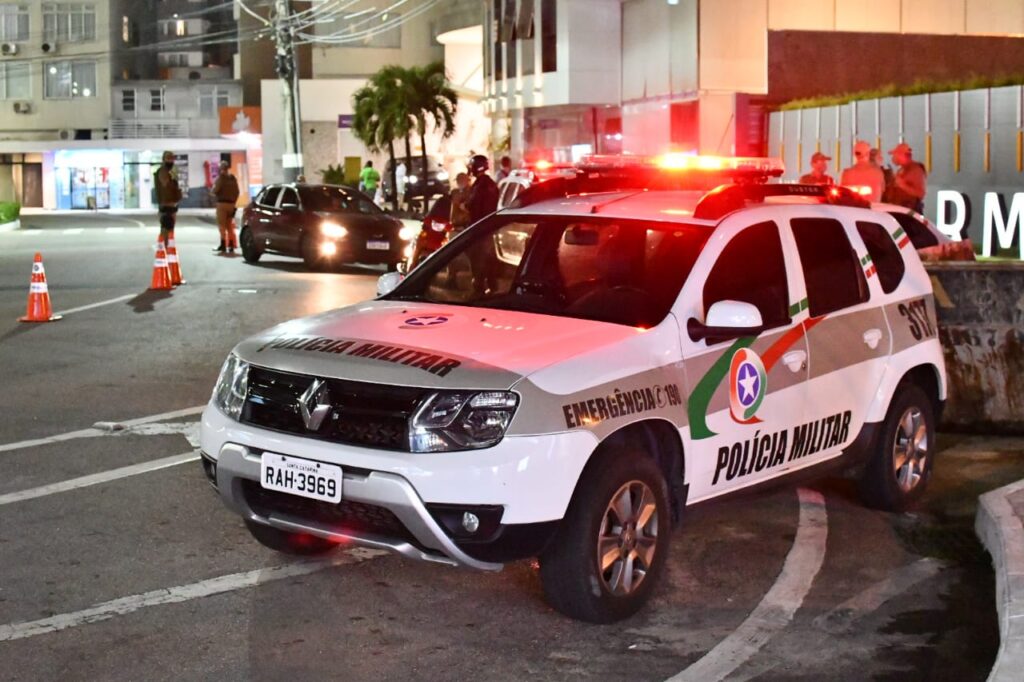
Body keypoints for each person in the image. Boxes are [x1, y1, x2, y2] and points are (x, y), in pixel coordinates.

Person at [885, 142, 927, 213]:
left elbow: (921, 193)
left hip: (909, 212)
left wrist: (902, 185)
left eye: (894, 155)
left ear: (901, 155)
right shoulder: (902, 169)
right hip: (900, 210)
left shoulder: (915, 169)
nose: (893, 158)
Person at [211, 160, 241, 254]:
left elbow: (215, 191)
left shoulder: (221, 178)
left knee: (222, 226)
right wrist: (234, 202)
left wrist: (212, 191)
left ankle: (223, 245)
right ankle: (231, 245)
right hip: (231, 204)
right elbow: (237, 192)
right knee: (230, 226)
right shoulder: (233, 178)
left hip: (222, 204)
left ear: (220, 169)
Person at [154, 151, 182, 243]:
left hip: (171, 204)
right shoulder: (163, 171)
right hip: (166, 204)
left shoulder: (169, 172)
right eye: (168, 158)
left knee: (169, 228)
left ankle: (167, 248)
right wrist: (173, 179)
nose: (170, 160)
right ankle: (164, 248)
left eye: (172, 158)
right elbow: (166, 185)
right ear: (163, 159)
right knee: (167, 228)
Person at [467, 154, 499, 224]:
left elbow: (473, 204)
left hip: (480, 225)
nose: (471, 169)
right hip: (486, 223)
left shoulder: (481, 185)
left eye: (472, 166)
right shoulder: (488, 182)